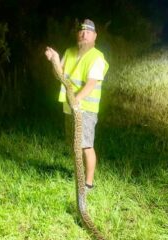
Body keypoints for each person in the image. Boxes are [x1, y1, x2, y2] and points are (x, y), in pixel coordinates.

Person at [45, 19, 109, 191]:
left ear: (95, 36)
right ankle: (77, 176)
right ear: (77, 34)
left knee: (86, 145)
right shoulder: (70, 52)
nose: (84, 34)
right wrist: (54, 60)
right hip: (70, 108)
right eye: (81, 31)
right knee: (74, 144)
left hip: (85, 109)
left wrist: (76, 101)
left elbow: (91, 84)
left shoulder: (97, 57)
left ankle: (88, 184)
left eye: (88, 32)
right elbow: (59, 75)